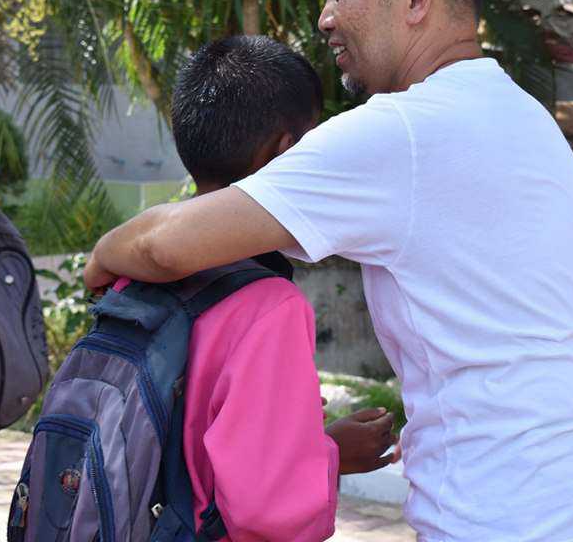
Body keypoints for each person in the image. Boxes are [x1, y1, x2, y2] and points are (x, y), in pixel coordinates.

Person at [85, 0, 573, 540]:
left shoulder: (404, 131)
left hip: (501, 522)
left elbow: (164, 248)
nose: (324, 18)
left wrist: (100, 258)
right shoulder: (524, 118)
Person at [147, 35, 397, 539]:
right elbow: (264, 508)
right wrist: (331, 452)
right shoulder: (268, 305)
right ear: (286, 152)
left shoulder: (139, 270)